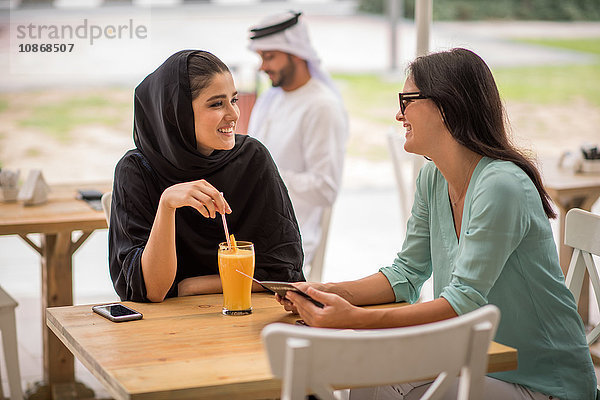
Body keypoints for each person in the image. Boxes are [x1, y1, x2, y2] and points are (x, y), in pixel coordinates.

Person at [277, 48, 596, 399]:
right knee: (374, 372)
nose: (399, 114)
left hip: (546, 384)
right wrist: (327, 293)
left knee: (384, 374)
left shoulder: (501, 185)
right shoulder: (433, 177)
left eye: (407, 100)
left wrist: (353, 318)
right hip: (479, 363)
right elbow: (406, 273)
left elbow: (464, 302)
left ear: (446, 106)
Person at [109, 50, 304, 303]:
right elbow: (151, 290)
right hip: (166, 333)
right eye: (216, 104)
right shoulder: (136, 170)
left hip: (248, 324)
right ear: (175, 112)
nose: (234, 114)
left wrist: (189, 286)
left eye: (233, 100)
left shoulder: (252, 159)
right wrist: (167, 205)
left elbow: (285, 275)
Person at [247, 11, 349, 276]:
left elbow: (326, 188)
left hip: (289, 240)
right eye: (261, 57)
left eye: (269, 57)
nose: (263, 66)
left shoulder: (322, 106)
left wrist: (266, 177)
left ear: (295, 52)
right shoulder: (271, 98)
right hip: (252, 227)